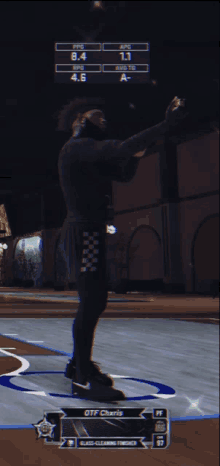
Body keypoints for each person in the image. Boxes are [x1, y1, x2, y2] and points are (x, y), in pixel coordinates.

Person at [56, 95, 188, 401]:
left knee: (95, 300)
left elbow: (124, 173)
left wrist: (138, 153)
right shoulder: (76, 147)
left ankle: (78, 363)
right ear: (79, 121)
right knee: (92, 301)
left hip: (89, 230)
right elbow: (119, 148)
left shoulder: (87, 155)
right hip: (83, 231)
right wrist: (165, 125)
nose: (104, 120)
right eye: (97, 115)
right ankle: (82, 375)